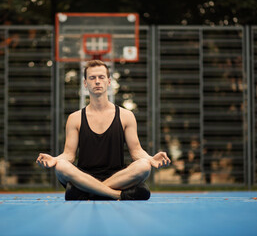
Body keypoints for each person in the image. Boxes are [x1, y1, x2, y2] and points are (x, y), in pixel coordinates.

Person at [36, 60, 171, 200]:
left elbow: (136, 151)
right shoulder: (75, 118)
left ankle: (89, 192)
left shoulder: (126, 116)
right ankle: (115, 194)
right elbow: (69, 155)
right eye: (92, 78)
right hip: (84, 176)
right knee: (61, 167)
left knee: (144, 166)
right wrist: (54, 159)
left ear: (109, 81)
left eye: (101, 77)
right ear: (85, 83)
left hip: (118, 177)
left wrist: (150, 159)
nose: (97, 81)